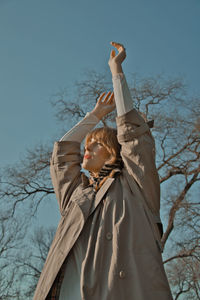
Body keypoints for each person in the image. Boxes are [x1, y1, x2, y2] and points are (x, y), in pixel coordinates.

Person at [33, 42, 173, 300]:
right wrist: (95, 115)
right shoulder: (77, 195)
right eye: (87, 144)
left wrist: (116, 71)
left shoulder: (135, 186)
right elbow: (64, 154)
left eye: (96, 144)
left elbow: (134, 139)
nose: (87, 149)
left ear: (113, 151)